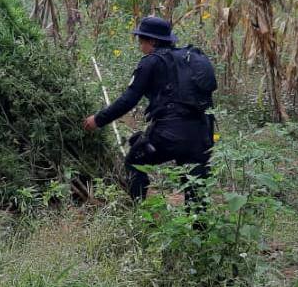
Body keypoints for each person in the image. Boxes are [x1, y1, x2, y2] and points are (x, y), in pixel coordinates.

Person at [83, 16, 217, 202]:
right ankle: (199, 228)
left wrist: (98, 119)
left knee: (134, 161)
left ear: (152, 41)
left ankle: (138, 214)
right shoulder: (189, 59)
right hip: (201, 133)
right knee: (195, 185)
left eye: (141, 40)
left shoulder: (151, 62)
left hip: (169, 134)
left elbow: (128, 100)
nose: (140, 45)